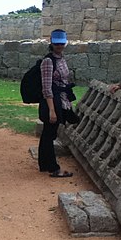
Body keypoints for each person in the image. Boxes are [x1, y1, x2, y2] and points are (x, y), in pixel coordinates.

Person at [38, 29, 78, 178]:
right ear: (52, 43)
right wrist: (52, 110)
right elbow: (46, 87)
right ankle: (53, 169)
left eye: (62, 43)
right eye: (57, 43)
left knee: (49, 134)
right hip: (53, 102)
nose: (59, 46)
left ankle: (44, 164)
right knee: (50, 134)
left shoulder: (60, 58)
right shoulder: (48, 61)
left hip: (61, 99)